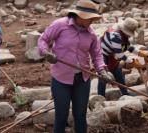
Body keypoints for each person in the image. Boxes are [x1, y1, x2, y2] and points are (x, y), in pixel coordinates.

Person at [38, 1, 114, 133]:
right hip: (61, 79)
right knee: (61, 117)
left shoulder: (91, 34)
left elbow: (97, 55)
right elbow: (43, 40)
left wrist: (102, 70)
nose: (92, 21)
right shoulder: (60, 25)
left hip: (82, 80)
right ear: (81, 16)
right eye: (90, 18)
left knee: (80, 116)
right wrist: (46, 53)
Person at [97, 17, 148, 97]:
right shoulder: (116, 36)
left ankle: (125, 93)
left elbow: (128, 47)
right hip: (102, 54)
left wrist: (140, 53)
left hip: (112, 55)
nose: (130, 36)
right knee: (103, 76)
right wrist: (132, 62)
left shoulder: (123, 36)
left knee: (118, 72)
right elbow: (119, 54)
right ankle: (100, 96)